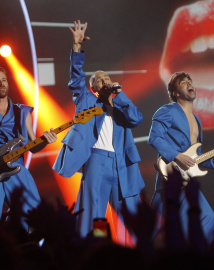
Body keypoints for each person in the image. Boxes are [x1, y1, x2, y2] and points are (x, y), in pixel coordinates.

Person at [52, 20, 145, 242]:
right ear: (93, 88)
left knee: (131, 213)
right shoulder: (86, 100)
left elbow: (137, 119)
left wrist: (119, 97)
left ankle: (133, 253)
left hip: (122, 162)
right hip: (96, 160)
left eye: (107, 79)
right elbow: (75, 79)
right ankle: (95, 249)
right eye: (99, 80)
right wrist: (76, 47)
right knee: (95, 214)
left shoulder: (121, 106)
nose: (105, 82)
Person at [0, 66, 57, 230]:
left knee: (34, 216)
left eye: (4, 80)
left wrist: (45, 140)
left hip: (16, 167)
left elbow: (32, 146)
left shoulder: (22, 111)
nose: (1, 84)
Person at [148, 71, 214, 245]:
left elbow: (195, 156)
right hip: (171, 176)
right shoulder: (167, 111)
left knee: (207, 220)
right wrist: (177, 156)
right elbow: (154, 138)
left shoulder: (197, 121)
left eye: (190, 80)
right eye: (183, 82)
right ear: (176, 93)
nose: (189, 83)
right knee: (157, 232)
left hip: (187, 180)